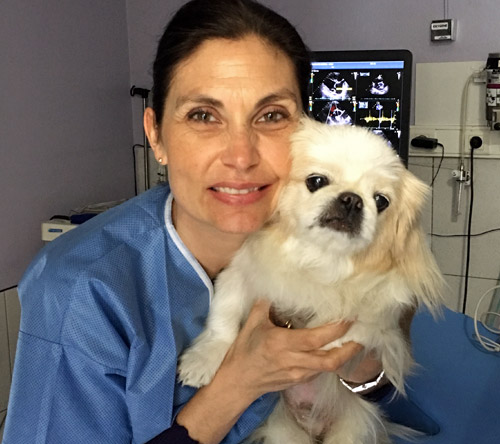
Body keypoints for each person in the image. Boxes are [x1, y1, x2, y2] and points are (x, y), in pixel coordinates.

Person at [3, 1, 402, 443]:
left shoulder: (338, 242)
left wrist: (361, 371)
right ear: (156, 135)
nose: (240, 156)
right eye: (203, 115)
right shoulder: (80, 290)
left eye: (271, 116)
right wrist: (238, 383)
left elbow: (373, 391)